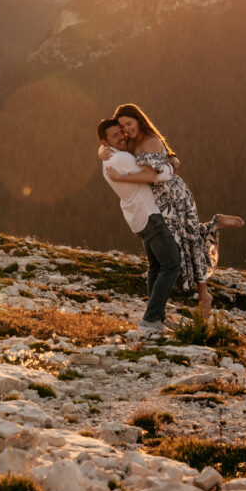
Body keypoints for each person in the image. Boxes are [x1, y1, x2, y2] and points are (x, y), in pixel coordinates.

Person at [106, 103, 244, 319]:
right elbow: (116, 149)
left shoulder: (150, 140)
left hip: (174, 197)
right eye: (122, 126)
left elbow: (150, 176)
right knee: (179, 243)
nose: (126, 129)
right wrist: (103, 149)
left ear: (139, 120)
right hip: (158, 201)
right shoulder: (132, 142)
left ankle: (203, 295)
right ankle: (214, 226)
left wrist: (120, 178)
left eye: (129, 123)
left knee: (188, 241)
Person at [97, 117, 180, 334]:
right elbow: (153, 175)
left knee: (155, 266)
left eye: (121, 132)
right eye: (116, 136)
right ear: (105, 142)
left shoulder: (108, 159)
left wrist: (100, 150)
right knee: (171, 265)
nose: (122, 137)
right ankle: (151, 319)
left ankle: (157, 316)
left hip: (137, 217)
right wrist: (171, 166)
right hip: (150, 215)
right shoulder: (122, 159)